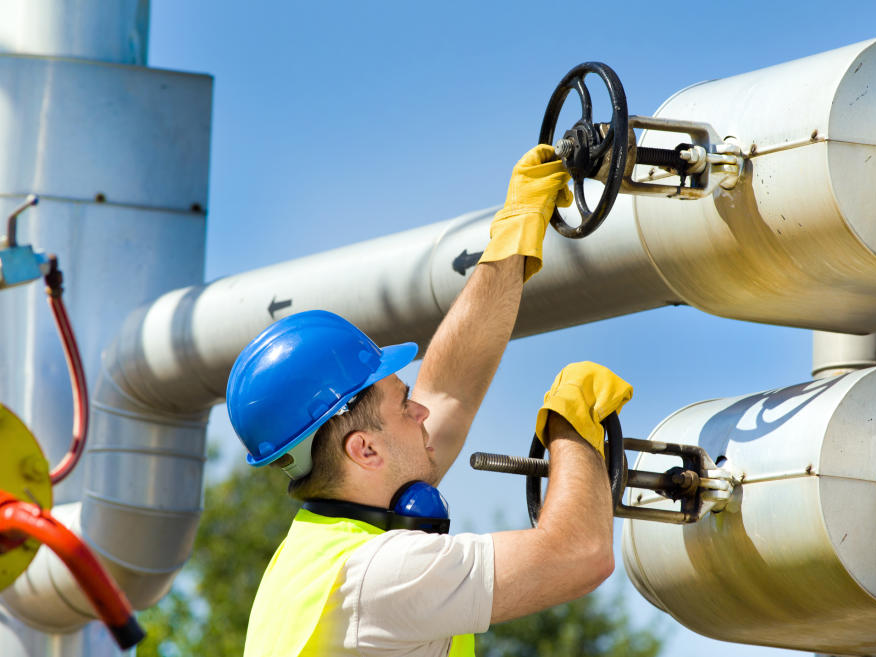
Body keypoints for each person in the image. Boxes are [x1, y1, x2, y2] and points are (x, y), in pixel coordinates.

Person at [226, 145, 634, 657]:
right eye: (403, 405)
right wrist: (571, 429)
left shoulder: (320, 555)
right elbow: (578, 555)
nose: (420, 410)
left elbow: (449, 391)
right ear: (364, 451)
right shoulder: (382, 575)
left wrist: (513, 240)